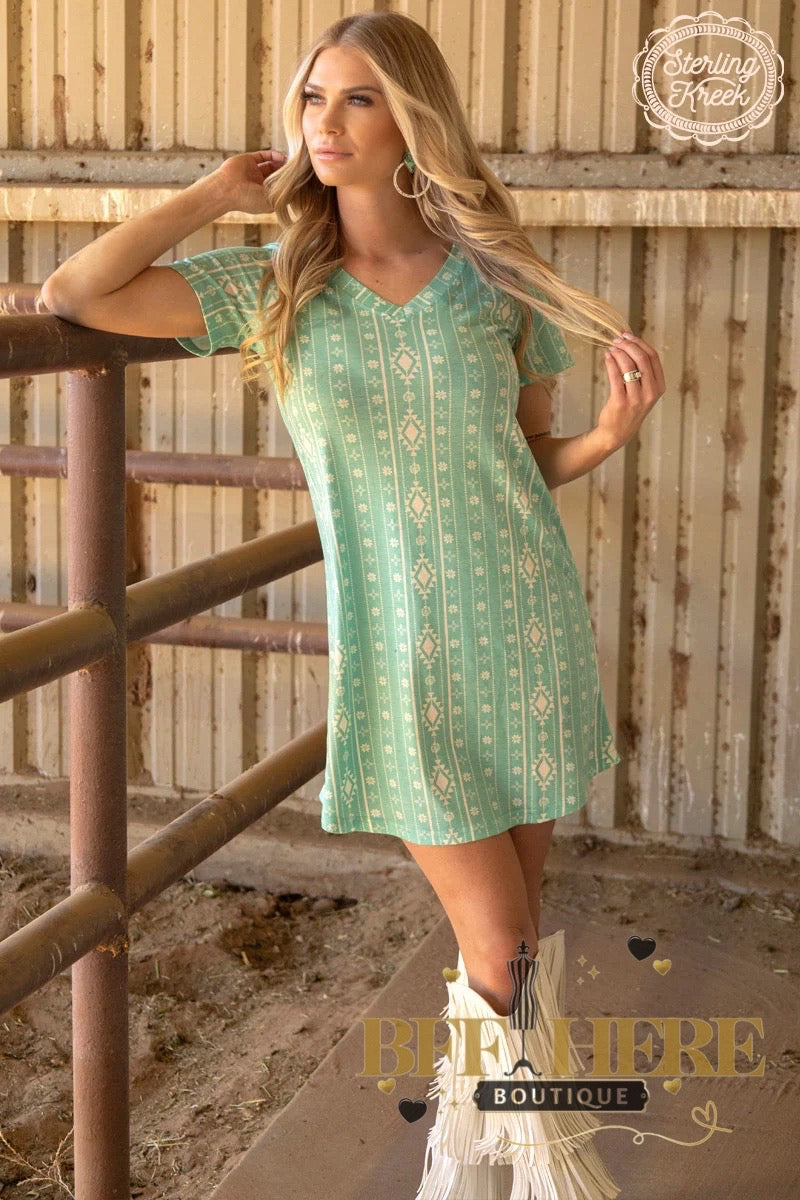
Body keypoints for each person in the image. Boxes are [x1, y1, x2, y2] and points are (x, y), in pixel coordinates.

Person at [41, 11, 665, 1197]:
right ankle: (547, 1174)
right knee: (506, 947)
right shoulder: (274, 285)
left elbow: (524, 459)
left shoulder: (492, 280)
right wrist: (209, 194)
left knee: (510, 943)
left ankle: (467, 1167)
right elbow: (74, 292)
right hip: (404, 654)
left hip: (523, 631)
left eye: (357, 99)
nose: (324, 124)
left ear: (413, 120)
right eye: (312, 99)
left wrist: (603, 436)